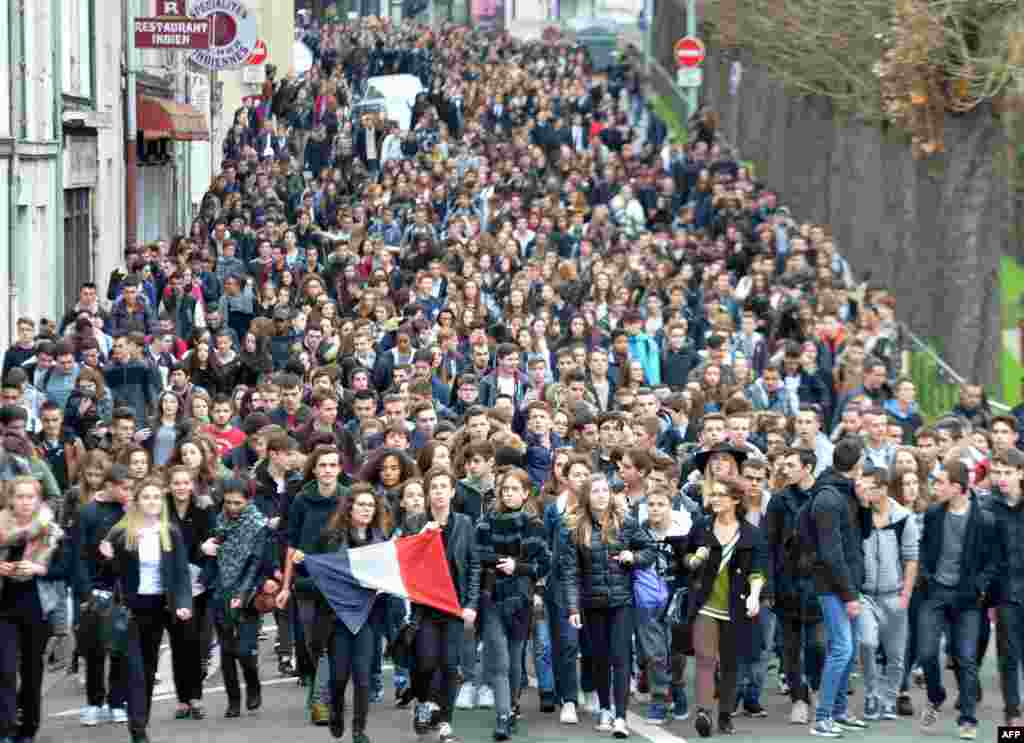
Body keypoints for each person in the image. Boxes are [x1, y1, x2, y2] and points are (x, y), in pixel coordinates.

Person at [98, 478, 193, 743]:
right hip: (130, 607)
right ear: (137, 503)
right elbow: (106, 574)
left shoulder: (170, 531)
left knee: (149, 669)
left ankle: (140, 719)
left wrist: (184, 603)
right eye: (146, 497)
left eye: (156, 497)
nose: (152, 501)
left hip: (158, 606)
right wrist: (109, 555)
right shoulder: (122, 532)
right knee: (136, 669)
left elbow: (181, 572)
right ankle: (138, 730)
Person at [561, 472, 652, 739]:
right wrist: (573, 608)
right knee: (599, 659)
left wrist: (632, 556)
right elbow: (570, 573)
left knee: (621, 657)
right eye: (596, 491)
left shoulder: (626, 522)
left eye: (605, 490)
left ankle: (621, 716)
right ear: (587, 496)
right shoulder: (575, 527)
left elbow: (649, 551)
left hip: (622, 601)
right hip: (591, 603)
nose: (601, 495)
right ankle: (604, 709)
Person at [916, 457, 998, 739]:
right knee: (926, 652)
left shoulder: (985, 518)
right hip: (935, 592)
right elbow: (925, 548)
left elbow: (991, 561)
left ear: (957, 487)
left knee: (966, 658)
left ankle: (968, 718)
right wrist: (926, 576)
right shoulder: (934, 513)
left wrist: (979, 587)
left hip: (967, 598)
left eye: (940, 482)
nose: (934, 487)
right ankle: (936, 695)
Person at [681, 475, 766, 737]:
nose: (714, 499)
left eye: (720, 494)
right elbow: (685, 557)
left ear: (735, 499)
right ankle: (704, 712)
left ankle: (725, 714)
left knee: (730, 663)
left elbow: (758, 569)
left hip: (736, 608)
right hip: (705, 604)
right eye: (713, 494)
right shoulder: (701, 527)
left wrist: (754, 594)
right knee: (705, 658)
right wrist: (694, 559)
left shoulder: (751, 534)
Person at [474, 467, 550, 740]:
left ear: (526, 492)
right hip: (492, 596)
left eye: (514, 489)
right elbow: (477, 556)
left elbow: (543, 564)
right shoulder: (485, 523)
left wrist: (518, 566)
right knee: (501, 661)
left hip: (521, 598)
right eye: (504, 489)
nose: (508, 494)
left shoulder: (535, 525)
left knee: (516, 660)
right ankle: (503, 715)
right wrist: (496, 563)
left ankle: (513, 706)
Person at [406, 467, 480, 743]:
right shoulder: (415, 523)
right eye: (433, 487)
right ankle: (424, 703)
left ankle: (446, 722)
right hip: (424, 607)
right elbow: (405, 562)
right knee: (426, 663)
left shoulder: (464, 523)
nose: (438, 492)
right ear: (427, 493)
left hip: (454, 606)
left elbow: (473, 565)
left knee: (450, 666)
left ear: (452, 492)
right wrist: (423, 536)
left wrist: (471, 603)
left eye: (443, 487)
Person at [317, 483, 392, 743]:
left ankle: (359, 729)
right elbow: (323, 573)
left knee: (362, 677)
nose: (366, 509)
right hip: (338, 619)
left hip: (367, 618)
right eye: (361, 504)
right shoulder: (333, 537)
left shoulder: (380, 540)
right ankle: (336, 711)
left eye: (370, 505)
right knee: (338, 677)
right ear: (349, 508)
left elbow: (388, 575)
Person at [809, 436, 873, 737]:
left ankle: (839, 711)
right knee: (841, 649)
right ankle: (822, 717)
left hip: (848, 583)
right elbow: (831, 554)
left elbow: (863, 534)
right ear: (857, 463)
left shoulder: (847, 492)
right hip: (832, 585)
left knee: (848, 651)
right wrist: (849, 595)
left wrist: (863, 505)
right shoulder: (828, 498)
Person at [0, 476, 65, 743]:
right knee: (4, 670)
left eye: (30, 497)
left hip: (37, 607)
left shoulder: (50, 530)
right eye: (20, 497)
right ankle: (5, 728)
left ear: (38, 500)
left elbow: (65, 569)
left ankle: (28, 727)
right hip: (3, 608)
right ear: (10, 499)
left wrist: (39, 568)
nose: (25, 502)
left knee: (31, 672)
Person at [202, 478, 272, 718]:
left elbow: (255, 562)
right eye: (228, 502)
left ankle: (253, 685)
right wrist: (206, 548)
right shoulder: (218, 520)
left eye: (238, 503)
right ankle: (233, 701)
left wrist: (241, 594)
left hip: (248, 590)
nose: (232, 507)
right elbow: (211, 554)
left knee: (244, 649)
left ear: (248, 500)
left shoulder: (257, 525)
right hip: (220, 589)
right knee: (227, 651)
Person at [765, 448, 825, 725]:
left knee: (817, 645)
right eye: (784, 465)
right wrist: (769, 585)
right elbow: (769, 545)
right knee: (789, 647)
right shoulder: (779, 501)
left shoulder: (824, 497)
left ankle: (816, 685)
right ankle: (798, 699)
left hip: (818, 583)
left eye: (791, 465)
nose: (784, 469)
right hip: (787, 582)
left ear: (807, 468)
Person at [858, 464, 918, 722]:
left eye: (869, 487)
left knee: (895, 655)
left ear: (882, 489)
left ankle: (890, 698)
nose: (863, 492)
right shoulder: (858, 515)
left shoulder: (903, 517)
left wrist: (906, 593)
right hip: (866, 594)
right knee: (867, 643)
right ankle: (872, 694)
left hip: (894, 594)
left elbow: (911, 559)